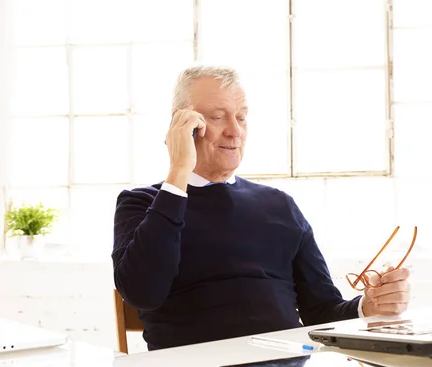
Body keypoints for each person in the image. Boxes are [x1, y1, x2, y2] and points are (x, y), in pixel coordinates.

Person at [111, 65, 411, 351]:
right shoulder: (143, 203)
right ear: (182, 124)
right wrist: (179, 170)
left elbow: (322, 311)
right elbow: (142, 292)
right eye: (217, 117)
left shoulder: (280, 205)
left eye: (241, 117)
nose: (234, 131)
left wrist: (368, 306)